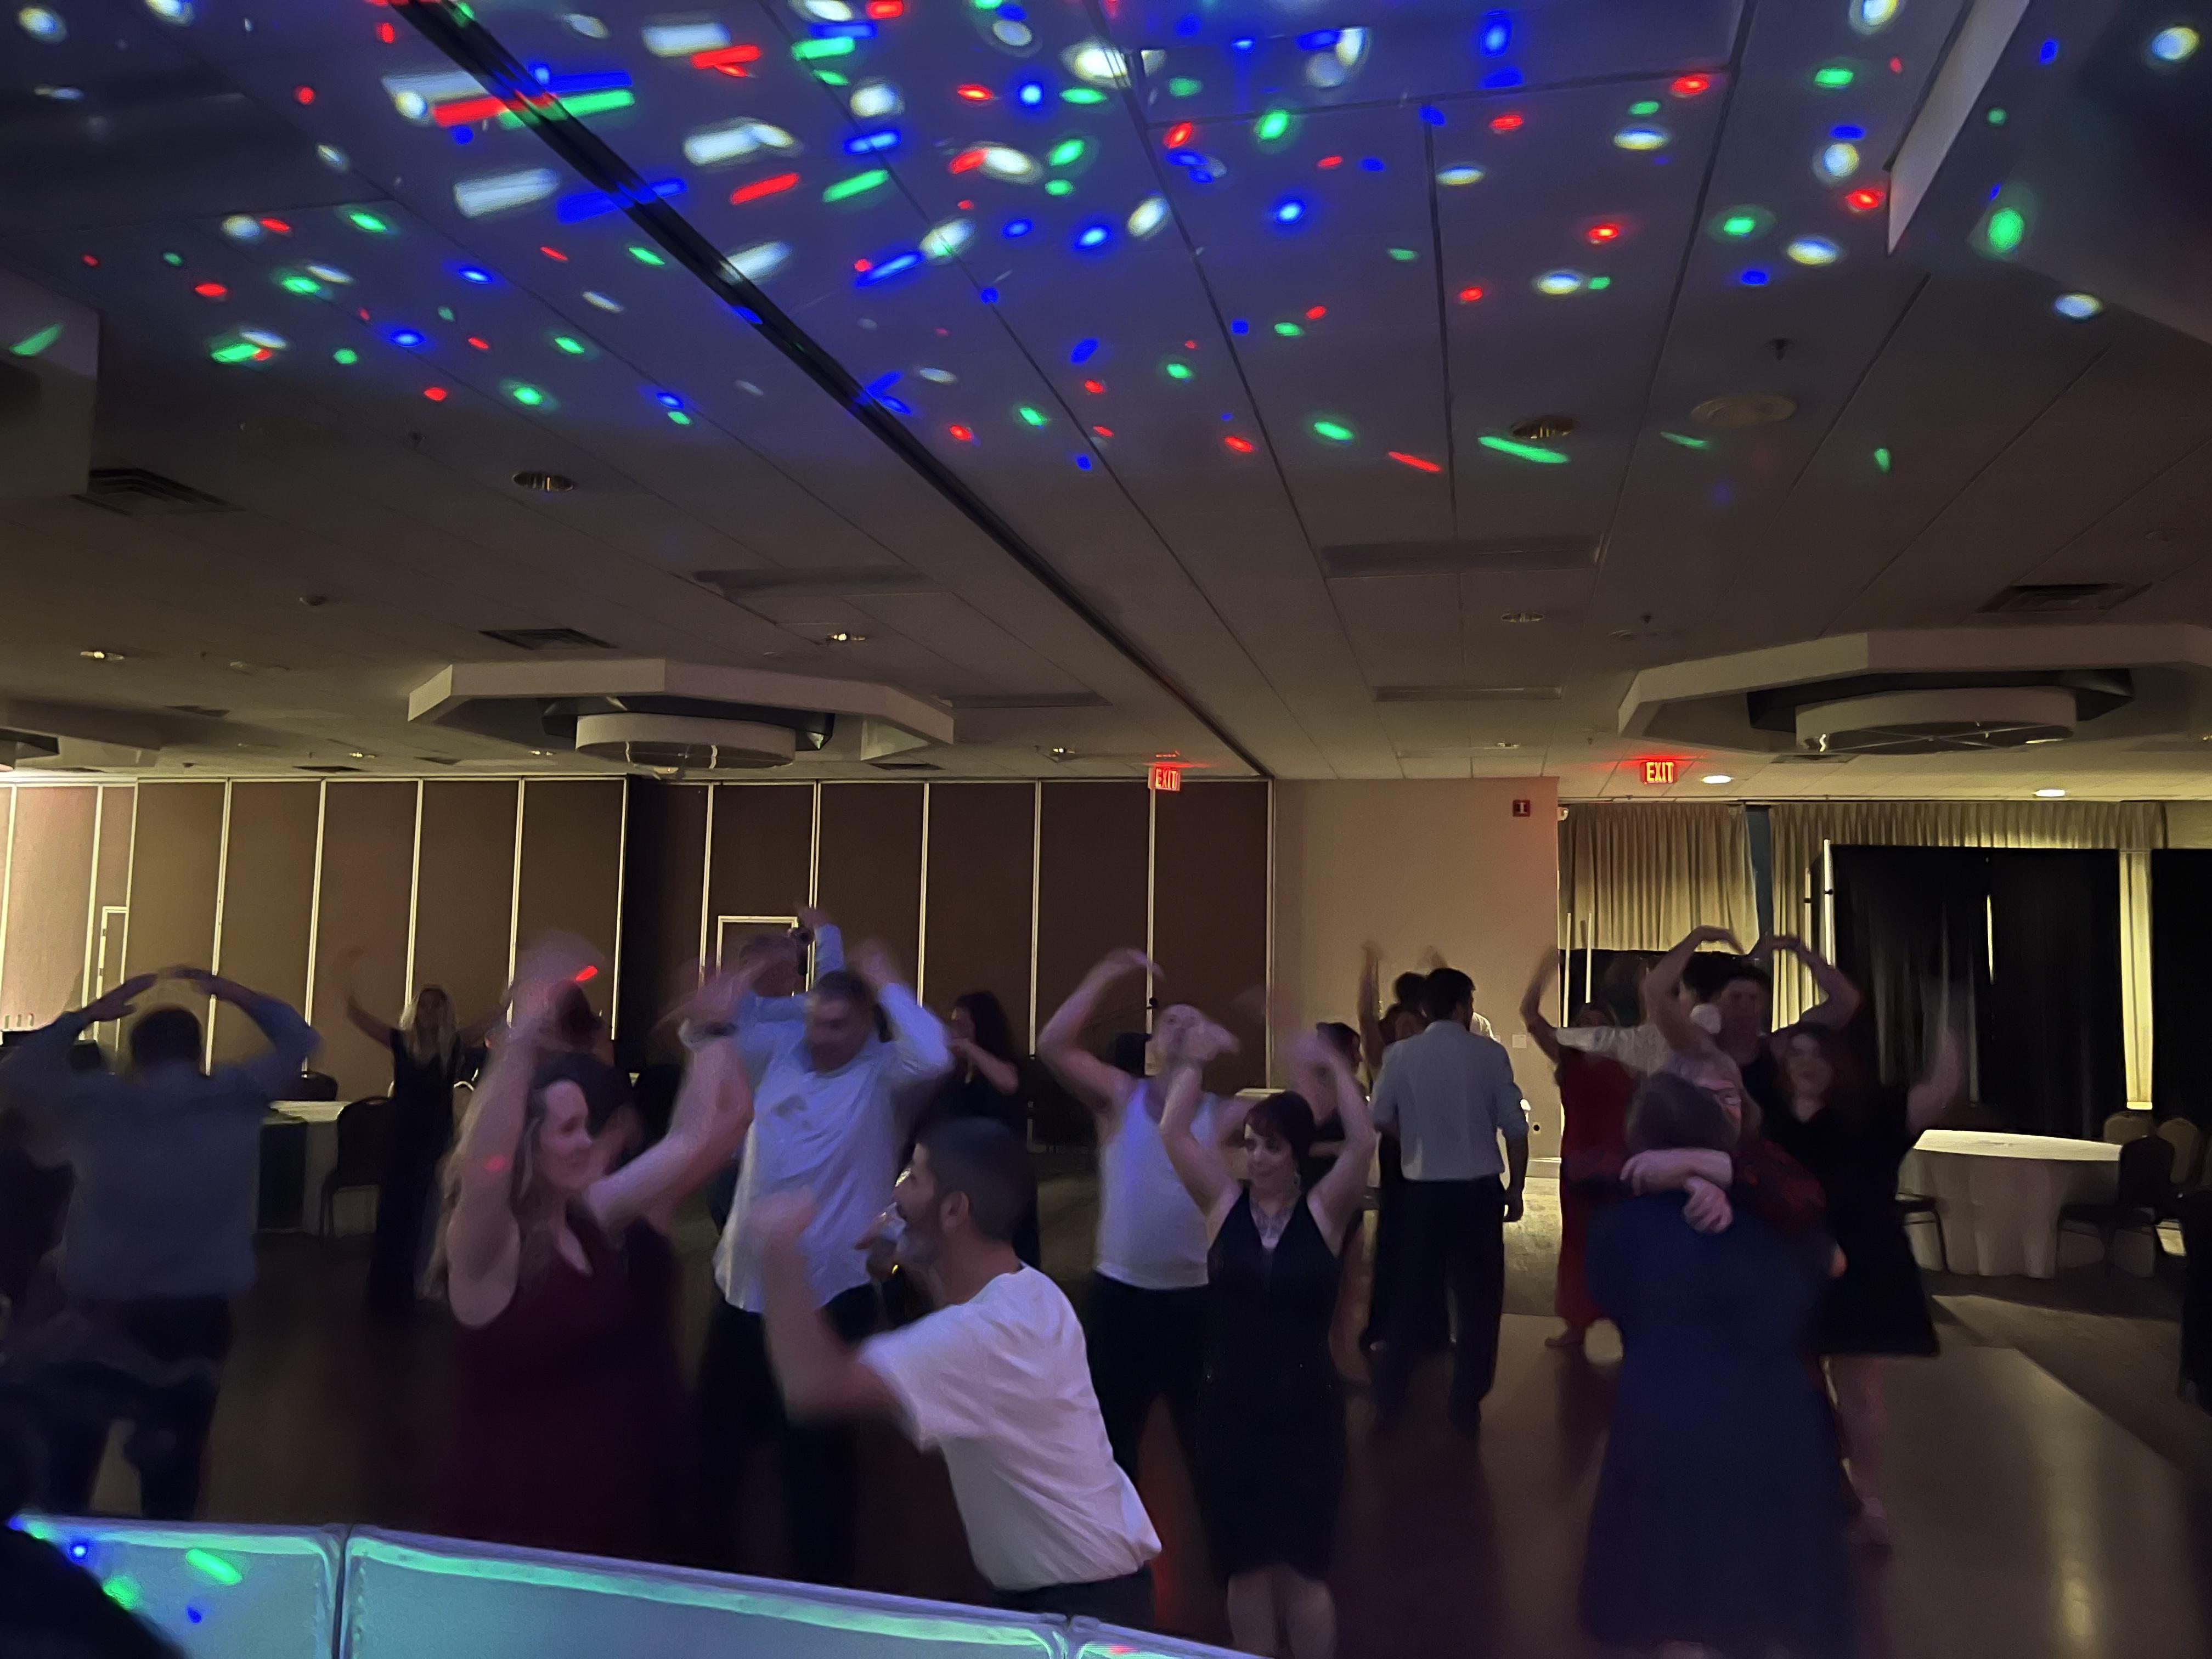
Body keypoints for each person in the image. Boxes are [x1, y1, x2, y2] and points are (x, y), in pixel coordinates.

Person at [755, 1119, 1161, 1624]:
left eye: (913, 1177)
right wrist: (908, 1250)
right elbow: (957, 1307)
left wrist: (776, 1250)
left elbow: (812, 1387)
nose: (896, 1192)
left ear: (953, 1210)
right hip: (1092, 1594)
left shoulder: (981, 1339)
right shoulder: (1031, 1293)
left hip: (1079, 1614)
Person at [435, 942, 755, 1561]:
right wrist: (523, 1037)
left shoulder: (592, 1216)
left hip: (610, 1520)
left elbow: (692, 1141)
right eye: (568, 1129)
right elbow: (484, 1166)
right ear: (528, 1144)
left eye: (586, 1125)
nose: (588, 1142)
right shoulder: (489, 1248)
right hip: (516, 1533)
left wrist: (714, 1031)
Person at [0, 967, 316, 1519]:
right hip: (194, 1320)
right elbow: (299, 1039)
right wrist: (235, 993)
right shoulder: (237, 1098)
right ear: (196, 1052)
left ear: (135, 1054)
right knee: (174, 1476)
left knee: (68, 1472)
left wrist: (86, 1016)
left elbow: (19, 1071)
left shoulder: (96, 1104)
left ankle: (60, 1564)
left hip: (96, 1316)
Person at [697, 941, 951, 1584]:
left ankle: (820, 1590)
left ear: (868, 1026)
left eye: (838, 1025)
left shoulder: (884, 1077)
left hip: (831, 1297)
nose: (821, 1036)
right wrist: (750, 973)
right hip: (743, 1290)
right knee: (714, 1454)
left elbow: (935, 1053)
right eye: (815, 1021)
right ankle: (703, 1579)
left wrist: (886, 980)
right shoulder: (780, 1056)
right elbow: (707, 1031)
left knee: (818, 1464)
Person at [1579, 1072, 1853, 1659]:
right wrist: (1720, 1182)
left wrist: (1681, 1178)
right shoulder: (1783, 1219)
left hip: (1663, 1407)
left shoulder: (1619, 1224)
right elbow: (1832, 1266)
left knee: (1675, 1590)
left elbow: (1607, 1293)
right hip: (1775, 1409)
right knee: (1775, 1589)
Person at [1159, 1024, 1374, 1659]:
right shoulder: (1223, 1207)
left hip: (1306, 1413)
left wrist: (1337, 1066)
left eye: (1271, 1147)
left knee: (1303, 1571)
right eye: (1250, 1144)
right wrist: (1192, 1064)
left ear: (1296, 1155)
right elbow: (1173, 1132)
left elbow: (1363, 1140)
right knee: (1245, 1566)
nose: (1255, 1157)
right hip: (1230, 1410)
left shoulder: (1325, 1212)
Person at [1038, 948, 1228, 1482]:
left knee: (1206, 1443)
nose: (1180, 1027)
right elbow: (1053, 1045)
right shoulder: (1122, 1096)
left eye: (1192, 1021)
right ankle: (1113, 1534)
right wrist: (1104, 975)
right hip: (1121, 1297)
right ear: (1153, 1044)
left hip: (1195, 1299)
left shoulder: (1223, 1113)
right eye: (1170, 1022)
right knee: (1110, 1444)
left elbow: (1312, 1110)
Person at [1770, 1020, 1962, 1545]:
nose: (1805, 1062)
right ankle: (1815, 1486)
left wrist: (1947, 1019)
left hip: (1867, 1265)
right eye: (1796, 1053)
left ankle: (1866, 1494)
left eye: (1817, 1053)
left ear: (1838, 1062)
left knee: (1861, 1390)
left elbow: (1940, 1091)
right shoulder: (1770, 1118)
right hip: (1789, 1267)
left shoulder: (1872, 1116)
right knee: (1794, 1386)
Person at [1369, 967, 1529, 1434]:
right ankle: (1466, 1402)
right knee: (1479, 1301)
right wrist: (1516, 1187)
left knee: (1410, 1295)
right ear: (1463, 1007)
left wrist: (1414, 1141)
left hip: (1422, 1191)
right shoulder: (1489, 1055)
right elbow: (1515, 1129)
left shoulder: (1401, 1055)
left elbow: (1379, 1116)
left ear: (1425, 1008)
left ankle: (1389, 1397)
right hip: (1477, 1192)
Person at [343, 963, 496, 1319]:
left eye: (436, 1006)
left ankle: (415, 1285)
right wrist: (349, 993)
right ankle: (387, 1291)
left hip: (433, 1139)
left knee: (425, 1214)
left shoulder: (453, 1046)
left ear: (444, 1012)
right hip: (402, 1139)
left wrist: (507, 1002)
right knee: (395, 1213)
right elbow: (362, 1020)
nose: (429, 1012)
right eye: (424, 1005)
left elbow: (485, 1024)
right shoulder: (402, 1042)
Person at [1521, 951, 1635, 1352]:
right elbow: (1530, 1016)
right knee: (1578, 1241)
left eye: (1597, 1022)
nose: (1590, 1028)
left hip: (1620, 1161)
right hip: (1579, 1160)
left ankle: (1627, 1322)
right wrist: (1544, 971)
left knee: (1620, 1242)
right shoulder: (1567, 1058)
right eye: (1584, 1023)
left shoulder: (1628, 1059)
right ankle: (1577, 1322)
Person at [915, 990, 1039, 1268]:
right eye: (953, 1024)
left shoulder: (1004, 1066)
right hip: (968, 1172)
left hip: (1004, 1172)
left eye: (963, 1024)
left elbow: (1008, 1083)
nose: (955, 1031)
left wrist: (970, 1048)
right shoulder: (957, 1075)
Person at [1357, 952, 1437, 1356]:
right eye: (1401, 1025)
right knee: (1395, 1239)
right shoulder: (1384, 1057)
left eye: (1413, 1025)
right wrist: (1369, 971)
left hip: (1428, 1153)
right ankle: (1389, 1327)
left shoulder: (1433, 1056)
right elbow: (1366, 1018)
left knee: (1428, 1241)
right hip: (1400, 1151)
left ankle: (1427, 1328)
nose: (1407, 1030)